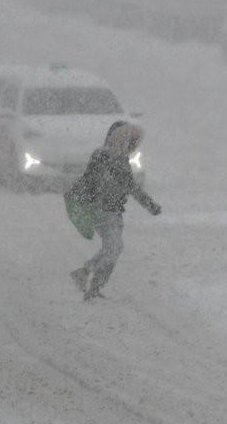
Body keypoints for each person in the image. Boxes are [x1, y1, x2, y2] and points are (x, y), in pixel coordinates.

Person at [67, 121, 161, 300]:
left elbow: (130, 185)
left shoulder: (120, 159)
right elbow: (91, 181)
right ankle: (85, 273)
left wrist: (148, 204)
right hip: (102, 210)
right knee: (114, 247)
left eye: (135, 143)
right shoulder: (103, 156)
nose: (133, 146)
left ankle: (94, 287)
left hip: (115, 210)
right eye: (130, 142)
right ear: (120, 138)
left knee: (113, 250)